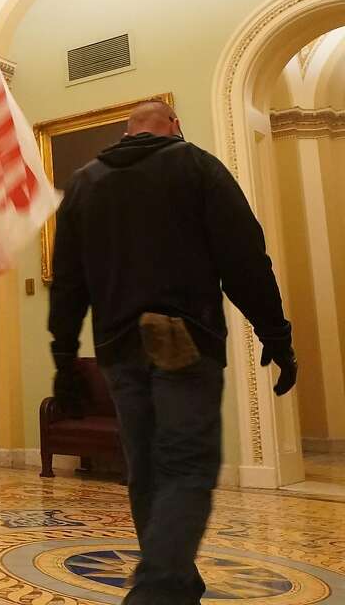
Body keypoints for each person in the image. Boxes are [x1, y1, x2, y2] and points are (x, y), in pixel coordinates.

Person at [48, 101, 297, 605]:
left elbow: (69, 284)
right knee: (186, 466)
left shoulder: (84, 182)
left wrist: (65, 359)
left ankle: (177, 582)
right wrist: (277, 335)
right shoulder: (197, 166)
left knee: (144, 468)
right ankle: (159, 591)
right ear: (174, 126)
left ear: (125, 131)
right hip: (185, 341)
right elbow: (246, 257)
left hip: (117, 347)